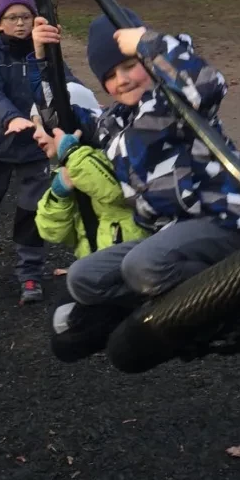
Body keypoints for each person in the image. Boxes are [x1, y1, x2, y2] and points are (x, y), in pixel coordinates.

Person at [47, 8, 240, 359]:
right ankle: (157, 310)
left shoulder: (174, 100)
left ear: (148, 62)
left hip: (225, 221)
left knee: (143, 266)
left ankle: (235, 296)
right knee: (82, 278)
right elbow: (62, 114)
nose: (122, 80)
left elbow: (209, 84)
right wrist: (42, 55)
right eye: (110, 75)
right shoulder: (115, 123)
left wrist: (148, 43)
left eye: (128, 65)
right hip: (172, 233)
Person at [0, 0, 100, 304]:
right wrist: (10, 118)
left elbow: (68, 85)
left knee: (31, 211)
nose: (20, 23)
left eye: (26, 16)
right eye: (12, 17)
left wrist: (89, 108)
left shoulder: (46, 54)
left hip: (36, 145)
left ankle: (30, 272)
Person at [30, 122, 148, 361]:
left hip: (132, 266)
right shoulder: (73, 167)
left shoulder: (104, 157)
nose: (36, 135)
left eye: (43, 128)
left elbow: (114, 191)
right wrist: (59, 194)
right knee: (61, 329)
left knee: (75, 331)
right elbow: (52, 232)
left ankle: (143, 317)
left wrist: (73, 154)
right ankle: (127, 322)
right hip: (96, 275)